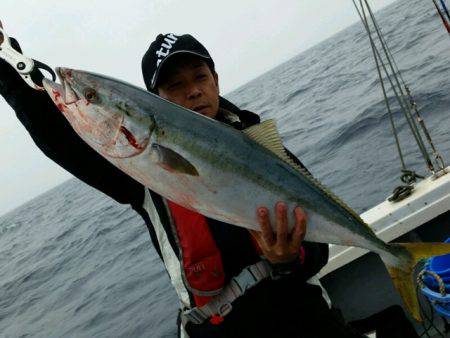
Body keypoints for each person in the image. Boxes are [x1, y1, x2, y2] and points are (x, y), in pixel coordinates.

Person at [0, 26, 415, 337]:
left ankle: (397, 258)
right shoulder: (140, 173)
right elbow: (59, 138)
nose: (193, 91)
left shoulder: (263, 148)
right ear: (155, 101)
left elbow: (317, 251)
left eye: (200, 77)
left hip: (305, 317)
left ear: (216, 81)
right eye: (175, 86)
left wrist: (287, 261)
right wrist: (8, 72)